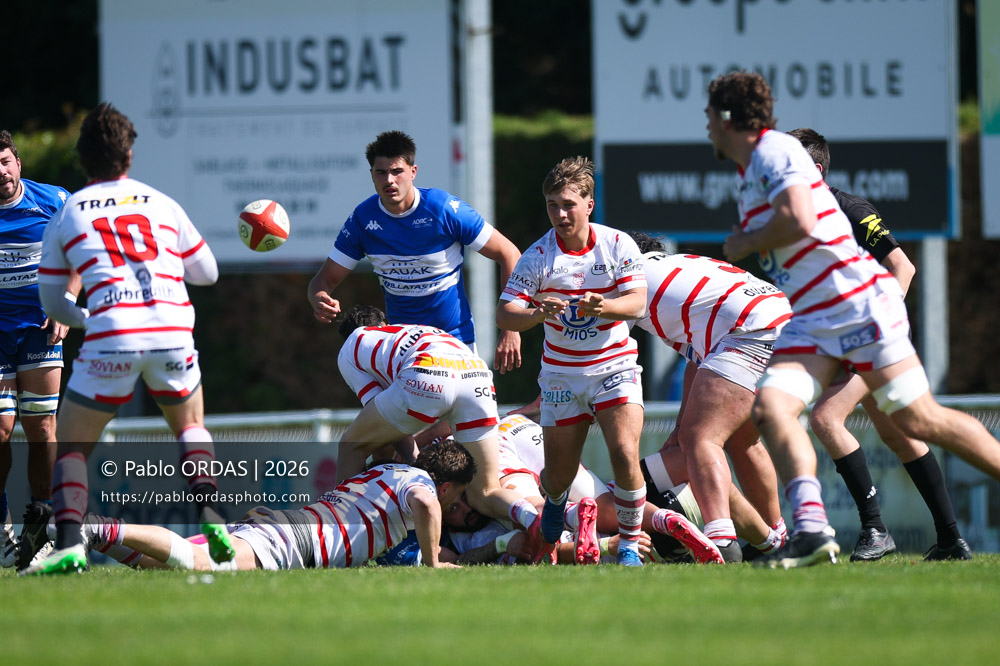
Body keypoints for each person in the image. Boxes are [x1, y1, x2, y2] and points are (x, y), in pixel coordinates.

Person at [710, 71, 1000, 569]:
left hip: (857, 304)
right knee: (774, 409)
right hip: (816, 317)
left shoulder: (775, 152)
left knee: (919, 420)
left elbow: (799, 218)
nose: (707, 128)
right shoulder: (752, 169)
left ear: (728, 118)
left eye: (710, 117)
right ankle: (812, 531)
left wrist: (747, 242)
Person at [22, 102, 232, 576]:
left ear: (82, 159)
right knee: (190, 429)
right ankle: (213, 515)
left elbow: (54, 304)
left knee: (73, 447)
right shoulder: (161, 203)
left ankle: (72, 544)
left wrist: (89, 316)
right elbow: (209, 273)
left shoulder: (69, 210)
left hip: (113, 335)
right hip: (173, 330)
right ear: (129, 156)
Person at [789, 128, 970, 562]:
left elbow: (902, 266)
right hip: (843, 344)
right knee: (899, 432)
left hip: (870, 339)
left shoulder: (851, 210)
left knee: (827, 419)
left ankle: (875, 528)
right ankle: (950, 539)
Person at [496, 156, 649, 566]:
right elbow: (505, 313)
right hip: (562, 376)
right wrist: (537, 314)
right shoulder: (538, 256)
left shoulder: (617, 245)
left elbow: (637, 303)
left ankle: (630, 546)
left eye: (567, 204)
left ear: (589, 204)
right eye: (551, 205)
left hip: (614, 368)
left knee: (624, 452)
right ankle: (556, 502)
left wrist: (606, 306)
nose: (560, 214)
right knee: (558, 476)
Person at [629, 231, 788, 562]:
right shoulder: (679, 268)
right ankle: (775, 541)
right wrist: (681, 425)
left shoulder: (631, 275)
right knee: (742, 440)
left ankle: (722, 542)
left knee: (702, 439)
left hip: (749, 325)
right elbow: (699, 358)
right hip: (774, 314)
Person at [308, 130, 523, 373]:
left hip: (455, 341)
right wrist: (318, 298)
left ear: (413, 171)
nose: (389, 180)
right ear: (372, 176)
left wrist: (511, 326)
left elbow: (509, 253)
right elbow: (323, 280)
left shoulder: (443, 210)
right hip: (404, 347)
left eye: (397, 171)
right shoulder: (363, 220)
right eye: (381, 172)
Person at [82, 440, 476, 571]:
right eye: (456, 496)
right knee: (201, 564)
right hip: (294, 540)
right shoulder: (421, 484)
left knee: (157, 564)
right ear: (445, 485)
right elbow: (425, 502)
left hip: (286, 525)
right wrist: (433, 562)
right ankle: (90, 528)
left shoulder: (389, 471)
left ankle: (86, 532)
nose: (454, 506)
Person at [333, 304, 542, 547]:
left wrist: (417, 465)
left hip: (428, 371)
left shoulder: (352, 345)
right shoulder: (413, 330)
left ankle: (345, 538)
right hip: (476, 374)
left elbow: (388, 424)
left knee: (351, 445)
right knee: (485, 492)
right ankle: (536, 518)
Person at [0, 130, 80, 570]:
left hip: (38, 330)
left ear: (18, 163)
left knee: (41, 429)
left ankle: (42, 524)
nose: (1, 172)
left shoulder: (54, 201)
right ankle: (1, 530)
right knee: (0, 430)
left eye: (6, 161)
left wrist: (66, 303)